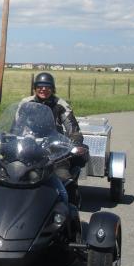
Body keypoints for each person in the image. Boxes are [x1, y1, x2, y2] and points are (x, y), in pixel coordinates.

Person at [21, 72, 87, 207]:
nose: (43, 89)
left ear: (52, 88)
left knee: (62, 177)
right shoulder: (26, 103)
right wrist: (6, 138)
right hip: (29, 147)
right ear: (35, 88)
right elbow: (15, 126)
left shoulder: (60, 105)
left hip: (54, 149)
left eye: (47, 86)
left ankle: (71, 208)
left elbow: (73, 129)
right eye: (40, 86)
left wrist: (75, 142)